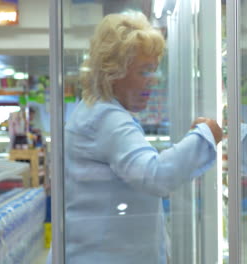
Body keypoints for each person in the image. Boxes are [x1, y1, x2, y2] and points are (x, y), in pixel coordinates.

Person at [47, 11, 222, 264]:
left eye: (154, 71)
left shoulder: (94, 110)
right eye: (144, 71)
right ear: (113, 72)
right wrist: (207, 135)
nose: (153, 81)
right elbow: (156, 175)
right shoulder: (107, 118)